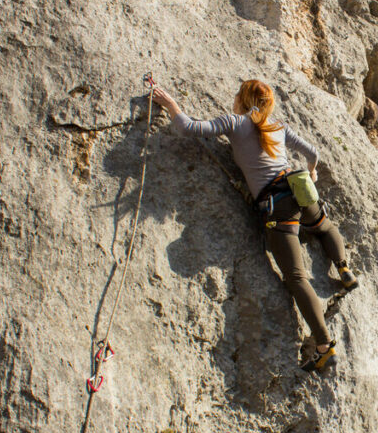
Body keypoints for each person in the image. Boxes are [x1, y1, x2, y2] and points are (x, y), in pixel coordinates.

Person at [151, 80, 357, 372]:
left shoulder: (235, 122)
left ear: (243, 99)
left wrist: (171, 104)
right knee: (323, 226)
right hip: (299, 189)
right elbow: (313, 153)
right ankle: (344, 267)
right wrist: (312, 173)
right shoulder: (278, 127)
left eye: (236, 95)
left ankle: (323, 346)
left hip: (278, 204)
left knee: (296, 277)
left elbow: (189, 128)